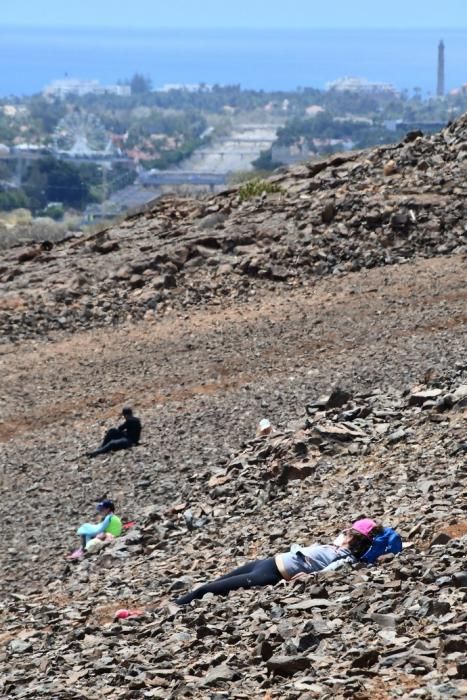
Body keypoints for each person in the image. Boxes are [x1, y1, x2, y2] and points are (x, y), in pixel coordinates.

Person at [174, 521, 377, 606]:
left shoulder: (346, 558)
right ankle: (175, 606)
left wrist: (309, 578)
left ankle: (172, 608)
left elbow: (328, 573)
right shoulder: (336, 548)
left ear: (352, 538)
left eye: (346, 532)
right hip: (266, 563)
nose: (341, 533)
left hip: (269, 575)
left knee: (206, 590)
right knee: (215, 584)